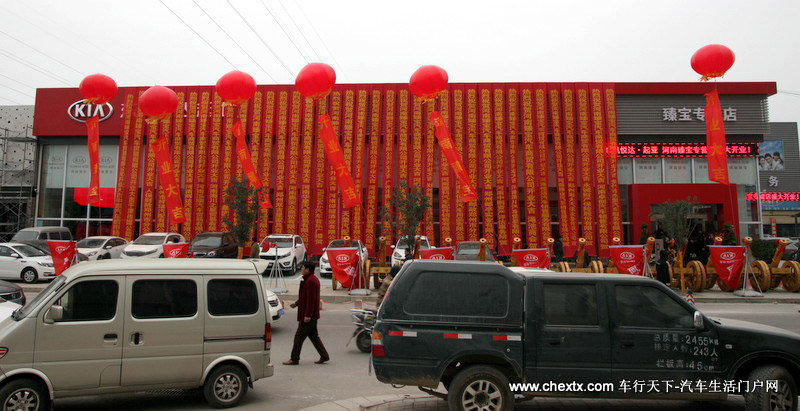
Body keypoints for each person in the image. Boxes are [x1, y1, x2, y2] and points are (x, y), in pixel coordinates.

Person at [283, 261, 329, 365]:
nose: (301, 269)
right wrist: (296, 304)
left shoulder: (311, 281)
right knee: (313, 336)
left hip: (308, 316)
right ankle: (324, 355)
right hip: (310, 315)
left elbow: (311, 300)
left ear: (308, 269)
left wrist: (308, 315)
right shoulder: (309, 280)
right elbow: (305, 297)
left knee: (298, 337)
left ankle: (294, 358)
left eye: (302, 267)